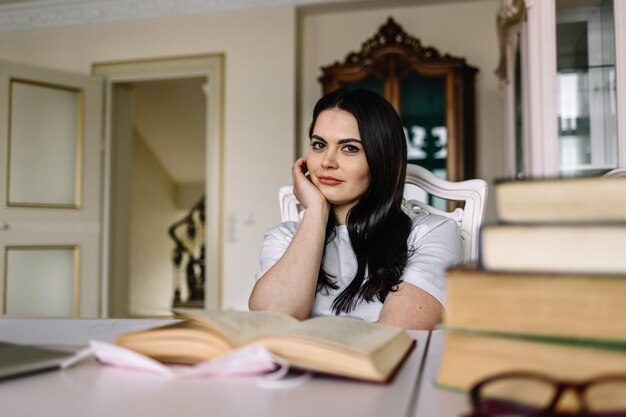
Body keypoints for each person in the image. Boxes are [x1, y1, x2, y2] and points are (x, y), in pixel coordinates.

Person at [248, 88, 460, 330]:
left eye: (349, 148)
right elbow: (271, 319)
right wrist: (316, 212)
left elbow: (398, 333)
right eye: (319, 145)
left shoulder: (431, 233)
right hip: (297, 366)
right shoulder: (284, 237)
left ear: (381, 158)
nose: (327, 162)